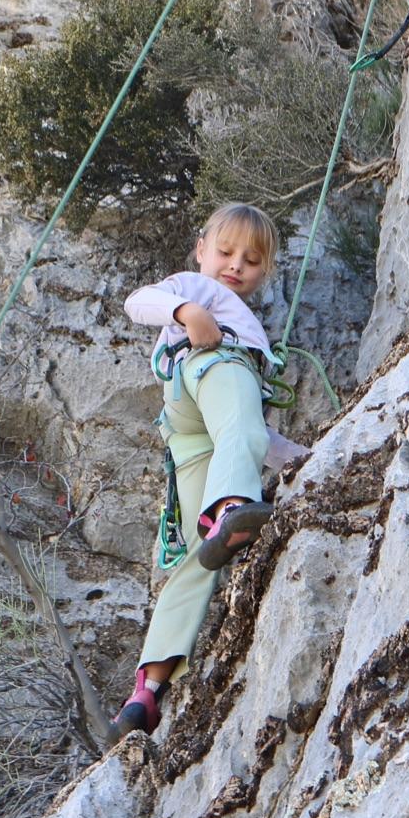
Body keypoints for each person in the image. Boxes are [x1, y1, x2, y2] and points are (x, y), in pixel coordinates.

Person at [111, 202, 286, 743]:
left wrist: (313, 460)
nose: (236, 266)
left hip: (191, 437)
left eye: (252, 261)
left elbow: (251, 433)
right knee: (236, 381)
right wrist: (188, 311)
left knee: (198, 555)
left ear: (267, 272)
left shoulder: (243, 318)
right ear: (201, 250)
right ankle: (231, 506)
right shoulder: (198, 291)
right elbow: (137, 300)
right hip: (204, 372)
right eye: (226, 252)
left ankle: (148, 688)